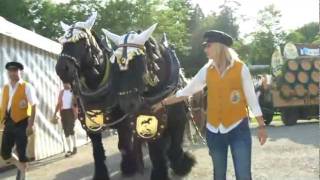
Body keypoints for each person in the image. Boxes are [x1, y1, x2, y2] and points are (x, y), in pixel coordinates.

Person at [153, 30, 268, 180]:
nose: (205, 49)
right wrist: (163, 102)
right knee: (218, 175)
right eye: (204, 46)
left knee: (244, 175)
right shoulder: (206, 70)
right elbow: (187, 91)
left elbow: (252, 99)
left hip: (238, 129)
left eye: (208, 46)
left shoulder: (241, 69)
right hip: (214, 131)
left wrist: (261, 126)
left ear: (219, 46)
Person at [0, 61, 38, 180]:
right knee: (5, 153)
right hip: (9, 123)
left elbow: (34, 106)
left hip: (23, 123)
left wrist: (30, 125)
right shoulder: (5, 88)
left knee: (22, 153)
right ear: (8, 73)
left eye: (15, 70)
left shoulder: (26, 86)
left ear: (19, 71)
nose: (13, 73)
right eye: (10, 71)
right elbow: (3, 107)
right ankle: (20, 167)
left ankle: (23, 176)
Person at [52, 83, 78, 157]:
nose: (65, 85)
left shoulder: (73, 92)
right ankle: (69, 150)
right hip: (63, 112)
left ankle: (75, 147)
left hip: (71, 112)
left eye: (66, 83)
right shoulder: (61, 92)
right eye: (64, 83)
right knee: (66, 130)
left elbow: (76, 104)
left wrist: (76, 113)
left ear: (69, 84)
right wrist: (55, 113)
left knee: (71, 129)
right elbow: (59, 103)